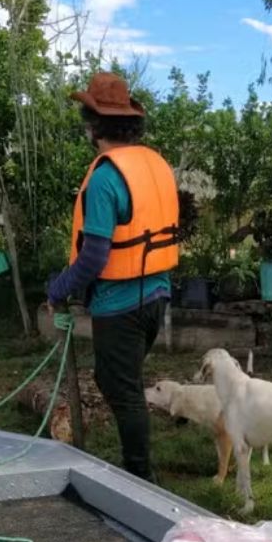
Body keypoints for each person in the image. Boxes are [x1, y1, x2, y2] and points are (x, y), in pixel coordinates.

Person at [47, 73, 180, 481]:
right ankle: (139, 466)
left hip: (119, 304)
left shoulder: (106, 176)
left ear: (92, 125)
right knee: (121, 381)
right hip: (157, 295)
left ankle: (142, 478)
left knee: (122, 391)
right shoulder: (154, 164)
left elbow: (94, 257)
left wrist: (58, 288)